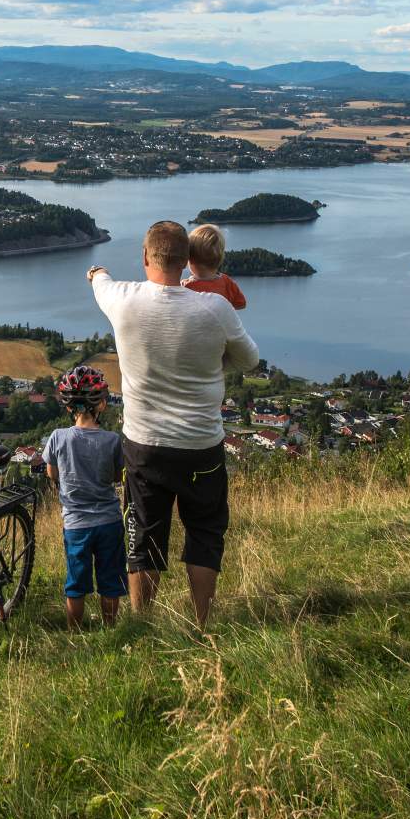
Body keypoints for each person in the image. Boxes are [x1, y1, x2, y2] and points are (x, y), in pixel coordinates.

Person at [87, 221, 260, 627]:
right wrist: (217, 362)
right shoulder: (214, 309)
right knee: (204, 531)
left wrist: (96, 272)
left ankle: (140, 622)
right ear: (186, 262)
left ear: (146, 258)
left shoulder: (124, 300)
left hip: (144, 443)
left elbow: (101, 282)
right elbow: (249, 361)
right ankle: (201, 623)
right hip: (201, 444)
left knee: (144, 532)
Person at [42, 366, 125, 629]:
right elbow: (117, 476)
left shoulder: (58, 437)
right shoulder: (112, 440)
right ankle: (110, 629)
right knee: (110, 580)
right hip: (109, 521)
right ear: (101, 404)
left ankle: (73, 632)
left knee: (76, 583)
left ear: (68, 407)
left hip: (76, 524)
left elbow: (51, 473)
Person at [182, 224, 247, 310]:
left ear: (190, 259)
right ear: (219, 258)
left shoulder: (186, 286)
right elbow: (241, 304)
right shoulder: (227, 282)